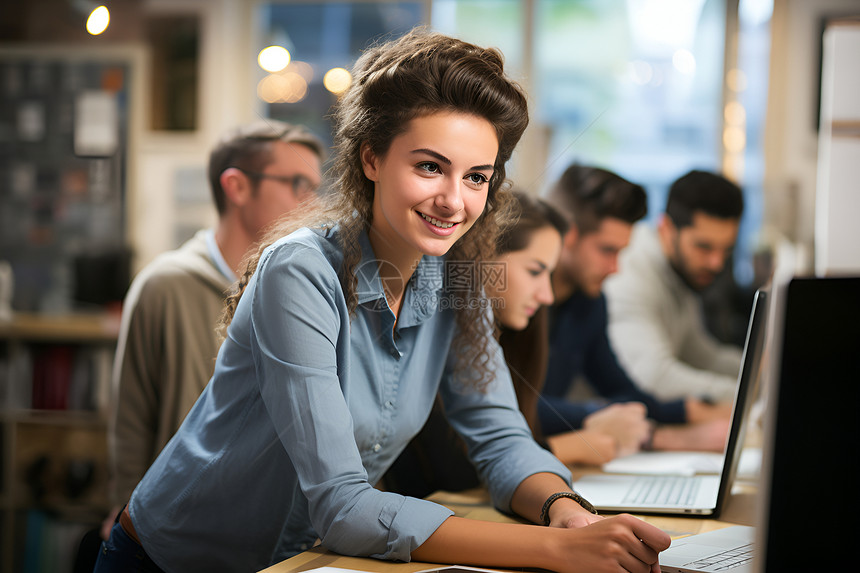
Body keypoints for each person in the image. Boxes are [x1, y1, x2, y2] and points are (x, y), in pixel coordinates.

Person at [94, 29, 669, 573]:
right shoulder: (300, 271)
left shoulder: (457, 279)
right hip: (171, 563)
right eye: (429, 167)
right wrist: (551, 550)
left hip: (296, 562)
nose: (453, 200)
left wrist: (569, 514)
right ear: (371, 158)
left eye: (476, 177)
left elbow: (499, 434)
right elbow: (344, 506)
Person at [105, 120, 325, 533]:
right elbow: (131, 423)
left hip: (276, 530)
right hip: (179, 527)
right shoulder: (165, 286)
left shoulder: (305, 290)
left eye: (316, 187)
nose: (313, 204)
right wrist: (127, 522)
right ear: (237, 187)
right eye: (297, 184)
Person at [383, 192, 627, 500]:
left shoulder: (509, 338)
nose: (547, 296)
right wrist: (569, 447)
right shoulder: (432, 325)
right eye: (535, 271)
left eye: (548, 275)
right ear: (484, 259)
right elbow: (446, 471)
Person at [540, 165, 732, 453]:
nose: (615, 269)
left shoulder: (589, 303)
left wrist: (686, 411)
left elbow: (621, 389)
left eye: (621, 252)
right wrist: (597, 415)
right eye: (607, 250)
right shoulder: (514, 301)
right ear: (567, 234)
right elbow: (509, 408)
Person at [604, 169, 745, 403]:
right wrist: (742, 396)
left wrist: (762, 373)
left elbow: (700, 355)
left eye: (726, 249)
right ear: (667, 229)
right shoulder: (628, 266)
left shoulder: (681, 272)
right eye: (704, 247)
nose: (716, 263)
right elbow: (653, 377)